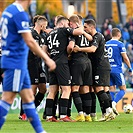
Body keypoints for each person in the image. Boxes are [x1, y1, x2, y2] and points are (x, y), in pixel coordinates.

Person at [0, 0, 56, 132]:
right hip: (16, 62)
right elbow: (29, 41)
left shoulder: (8, 11)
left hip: (16, 62)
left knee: (29, 99)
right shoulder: (19, 13)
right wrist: (47, 59)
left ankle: (40, 131)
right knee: (7, 98)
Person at [73, 19, 115, 121]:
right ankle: (106, 112)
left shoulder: (97, 36)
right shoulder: (97, 36)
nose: (85, 29)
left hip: (101, 66)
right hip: (101, 65)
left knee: (98, 89)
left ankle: (109, 110)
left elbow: (92, 49)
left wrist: (79, 49)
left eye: (86, 27)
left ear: (92, 27)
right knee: (101, 89)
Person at [44, 16, 84, 122]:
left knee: (52, 90)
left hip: (51, 63)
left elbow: (44, 50)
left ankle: (49, 116)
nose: (68, 26)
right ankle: (63, 115)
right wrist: (79, 25)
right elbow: (79, 32)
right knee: (66, 89)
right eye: (67, 24)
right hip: (62, 62)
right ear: (62, 24)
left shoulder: (49, 35)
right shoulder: (63, 30)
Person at [19, 15, 48, 120]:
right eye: (45, 26)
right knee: (32, 89)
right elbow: (35, 52)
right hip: (30, 64)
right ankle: (24, 113)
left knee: (43, 88)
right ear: (42, 25)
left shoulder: (40, 35)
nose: (46, 28)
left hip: (38, 65)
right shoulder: (33, 34)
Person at [69, 14, 93, 122]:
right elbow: (91, 39)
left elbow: (71, 47)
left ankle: (80, 114)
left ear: (74, 23)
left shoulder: (74, 33)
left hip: (77, 62)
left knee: (75, 89)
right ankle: (87, 115)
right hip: (87, 62)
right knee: (85, 89)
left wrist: (69, 53)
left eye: (70, 24)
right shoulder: (87, 33)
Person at [106, 28, 132, 115]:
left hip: (107, 69)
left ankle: (110, 108)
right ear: (119, 35)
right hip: (117, 69)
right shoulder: (120, 44)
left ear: (111, 35)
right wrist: (130, 68)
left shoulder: (106, 44)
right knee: (123, 89)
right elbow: (125, 58)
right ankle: (114, 103)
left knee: (111, 89)